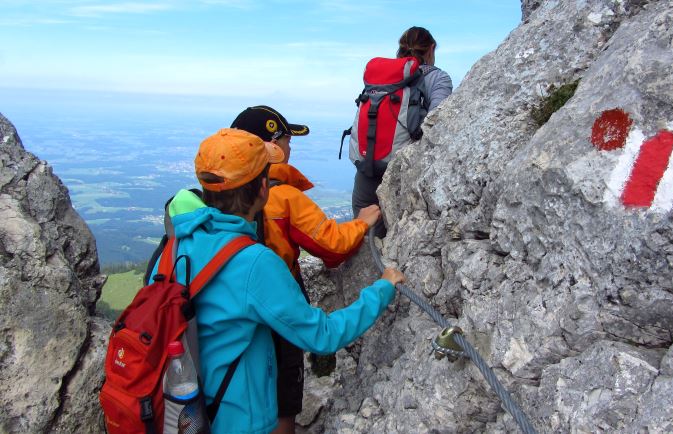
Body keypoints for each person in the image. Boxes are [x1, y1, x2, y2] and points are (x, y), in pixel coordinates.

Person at [154, 128, 404, 433]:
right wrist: (383, 288)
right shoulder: (254, 263)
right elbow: (322, 335)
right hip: (240, 423)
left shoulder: (178, 243)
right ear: (263, 188)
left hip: (185, 414)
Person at [230, 105, 382, 433]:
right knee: (283, 394)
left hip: (232, 304)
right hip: (277, 304)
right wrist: (361, 223)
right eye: (285, 139)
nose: (290, 146)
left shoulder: (222, 195)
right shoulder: (283, 196)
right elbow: (332, 247)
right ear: (268, 147)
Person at [352, 26, 453, 237]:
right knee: (401, 240)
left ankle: (365, 268)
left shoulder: (382, 79)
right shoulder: (438, 79)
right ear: (431, 48)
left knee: (364, 235)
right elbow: (438, 122)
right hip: (405, 170)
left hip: (368, 164)